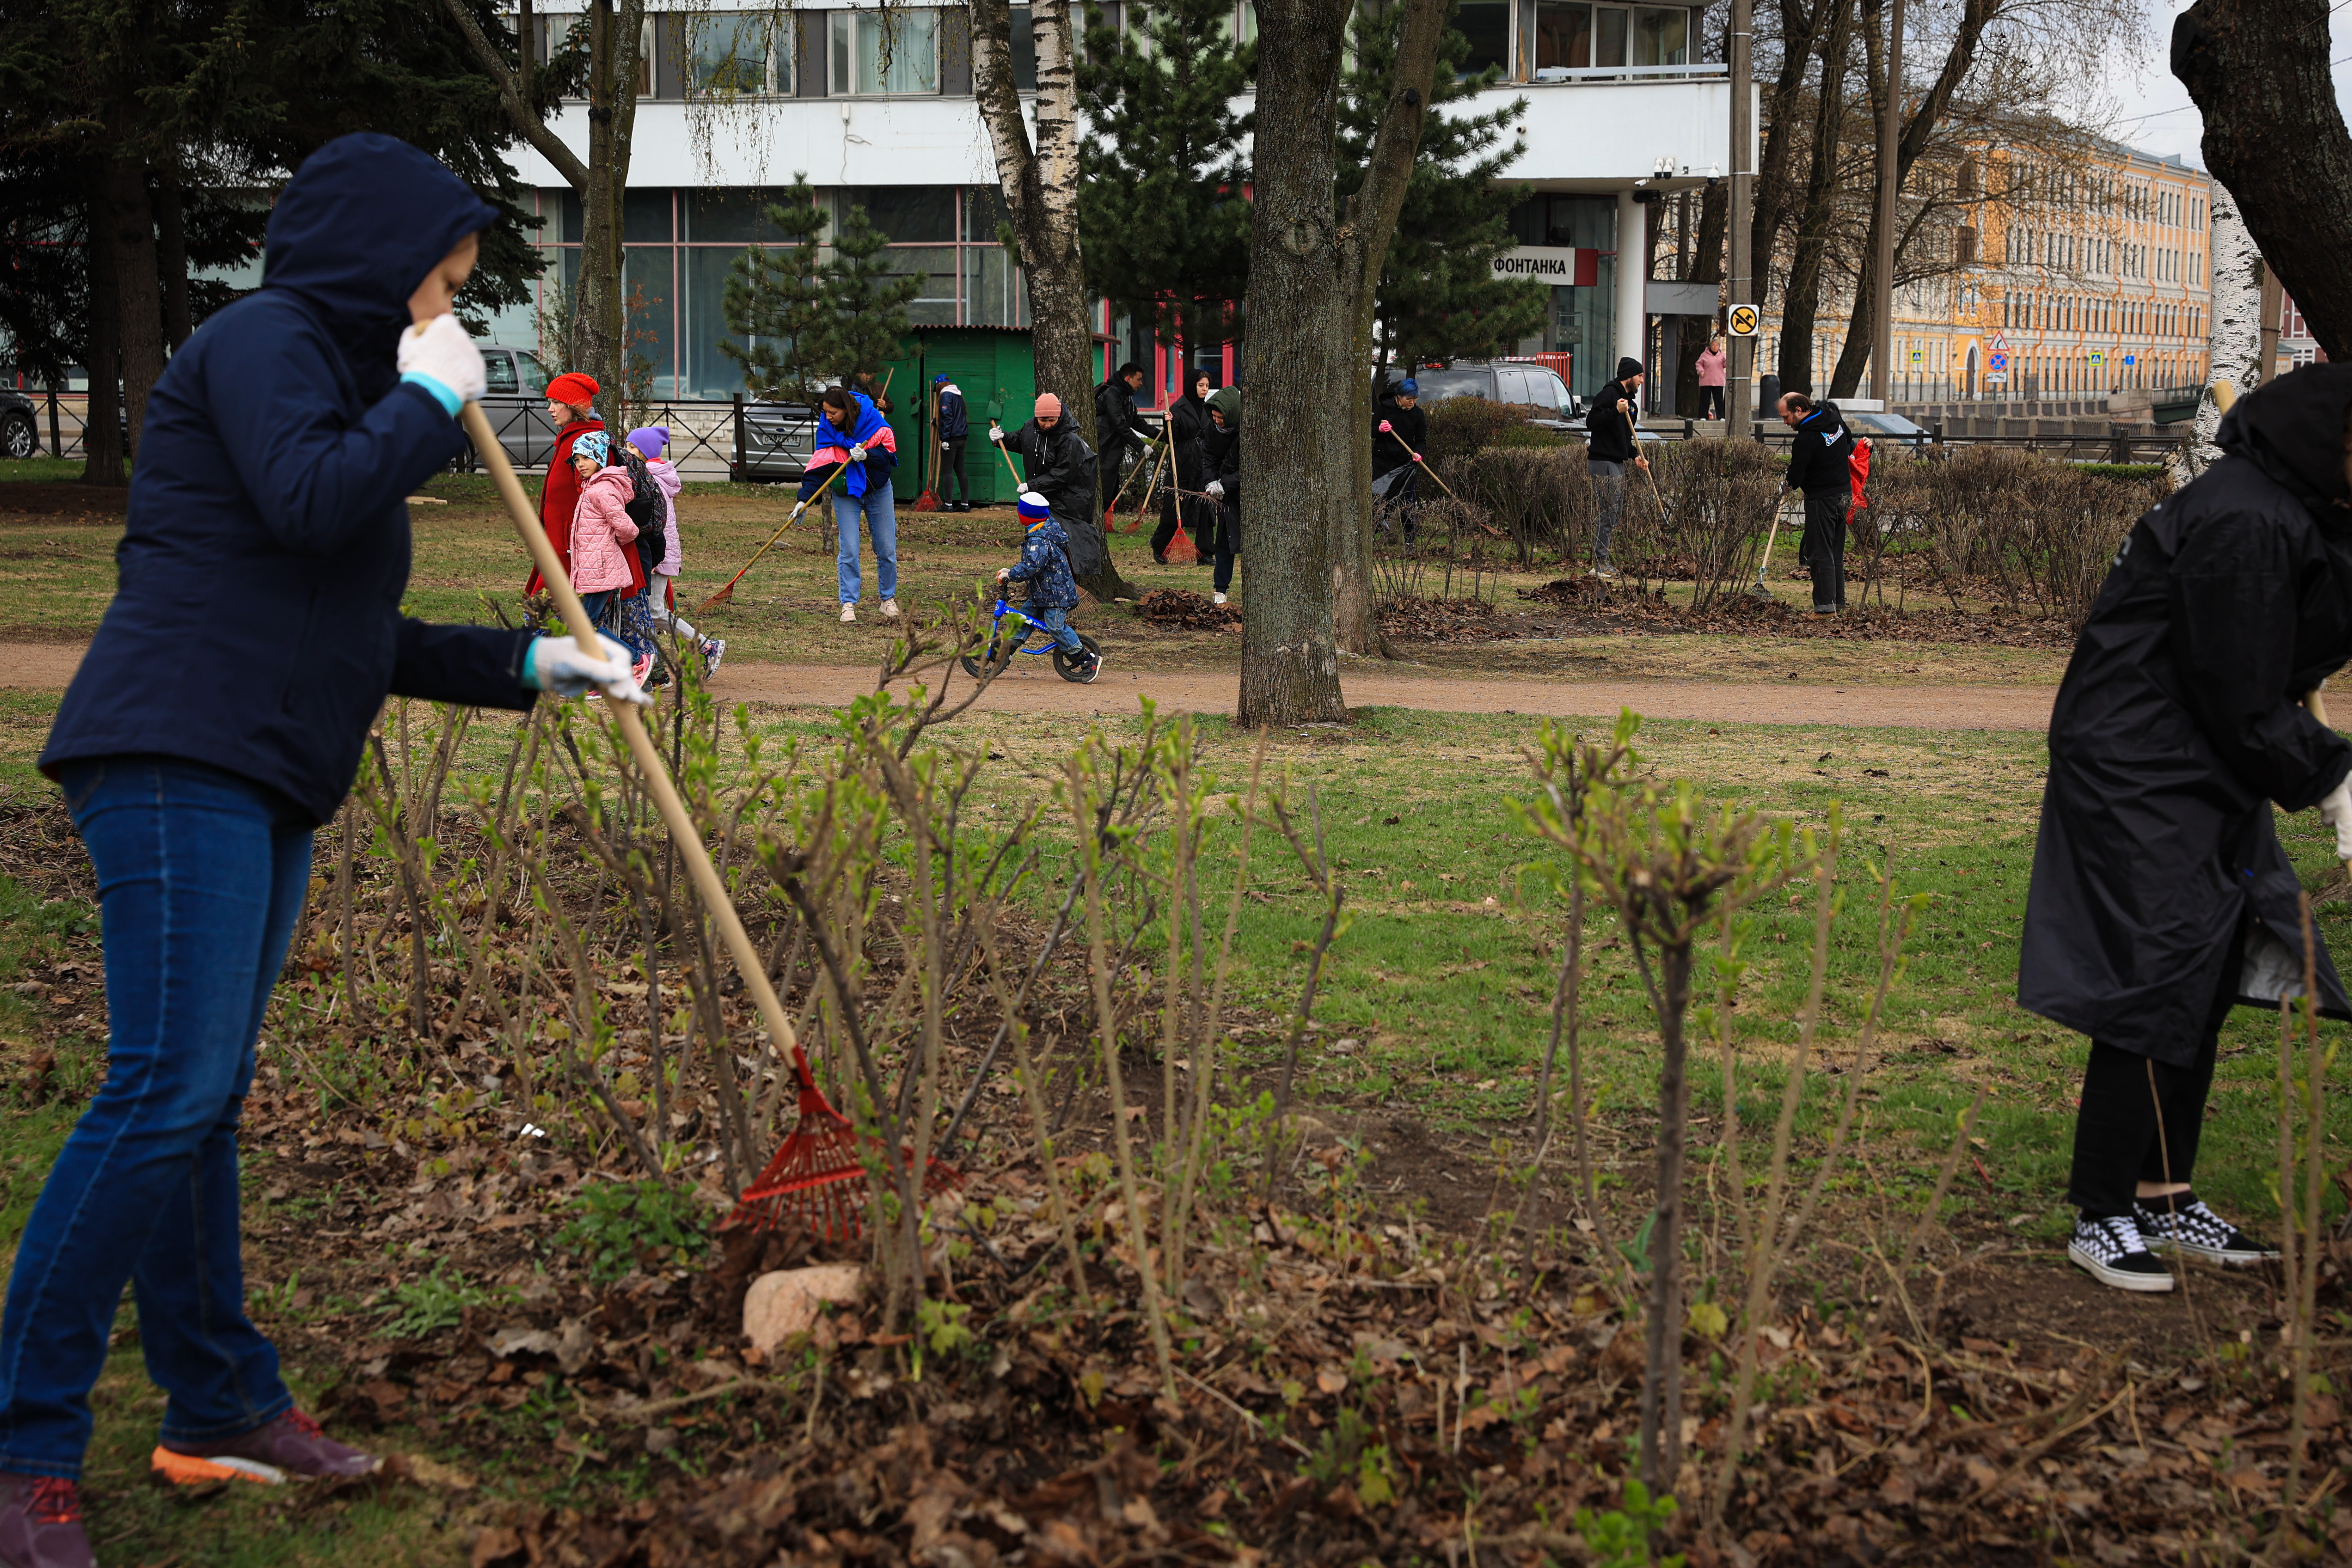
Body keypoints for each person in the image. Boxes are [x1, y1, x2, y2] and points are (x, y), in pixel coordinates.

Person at [9, 132, 643, 1568]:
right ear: (377, 256)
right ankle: (25, 1439)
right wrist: (427, 400)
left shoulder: (349, 388)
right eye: (446, 281)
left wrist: (539, 659)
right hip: (177, 748)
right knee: (161, 1088)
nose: (455, 313)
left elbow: (358, 628)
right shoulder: (262, 344)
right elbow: (307, 495)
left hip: (264, 770)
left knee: (203, 1102)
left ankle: (217, 1403)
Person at [2021, 364, 2352, 1293]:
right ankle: (2102, 1213)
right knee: (2152, 973)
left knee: (2200, 974)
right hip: (2142, 769)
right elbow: (2238, 687)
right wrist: (2331, 774)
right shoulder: (2246, 519)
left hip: (2195, 762)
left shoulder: (2290, 509)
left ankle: (2164, 1194)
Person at [991, 393, 1135, 602]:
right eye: (1044, 420)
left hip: (1068, 500)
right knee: (1040, 545)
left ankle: (1066, 590)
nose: (1048, 424)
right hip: (1042, 497)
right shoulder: (1031, 428)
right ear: (1036, 418)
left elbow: (1064, 474)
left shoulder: (1070, 440)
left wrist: (1032, 485)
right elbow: (1021, 441)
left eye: (1052, 420)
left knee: (1064, 546)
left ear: (1060, 416)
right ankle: (1042, 591)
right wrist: (1001, 438)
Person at [625, 427, 724, 677]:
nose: (627, 453)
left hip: (658, 554)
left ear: (645, 453)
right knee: (651, 609)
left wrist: (653, 557)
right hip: (658, 552)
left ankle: (707, 646)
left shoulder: (652, 479)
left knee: (655, 610)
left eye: (632, 448)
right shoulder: (656, 475)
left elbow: (655, 522)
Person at [802, 384, 899, 624]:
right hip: (847, 492)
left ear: (846, 409)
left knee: (886, 548)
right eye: (824, 412)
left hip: (878, 489)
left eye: (832, 412)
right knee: (850, 550)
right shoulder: (827, 428)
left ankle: (887, 600)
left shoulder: (871, 418)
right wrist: (803, 499)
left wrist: (868, 455)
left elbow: (888, 456)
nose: (828, 417)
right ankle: (848, 603)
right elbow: (821, 464)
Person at [998, 491, 1102, 679]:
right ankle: (1007, 649)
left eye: (1019, 512)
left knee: (1055, 627)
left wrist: (1011, 574)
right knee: (1023, 617)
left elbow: (1032, 566)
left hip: (1056, 595)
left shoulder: (1040, 540)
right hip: (1044, 592)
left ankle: (1086, 658)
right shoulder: (1046, 528)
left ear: (1026, 516)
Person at [525, 370, 602, 596]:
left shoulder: (585, 443)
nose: (550, 408)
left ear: (574, 406)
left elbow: (591, 493)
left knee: (550, 602)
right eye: (550, 402)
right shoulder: (571, 437)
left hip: (570, 541)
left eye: (557, 402)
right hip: (559, 537)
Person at [1777, 392, 1853, 615]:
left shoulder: (1806, 438)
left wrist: (1785, 487)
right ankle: (1838, 603)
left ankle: (1824, 610)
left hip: (1822, 499)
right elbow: (1848, 440)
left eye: (1787, 417)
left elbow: (1797, 475)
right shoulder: (1833, 419)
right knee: (1835, 554)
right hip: (1844, 496)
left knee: (1820, 555)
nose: (1785, 422)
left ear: (1799, 411)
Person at [1585, 356, 1648, 579]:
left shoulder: (1631, 405)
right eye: (1640, 376)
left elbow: (1625, 439)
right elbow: (1591, 423)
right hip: (1602, 462)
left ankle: (1603, 560)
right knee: (1608, 511)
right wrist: (1614, 411)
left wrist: (1635, 456)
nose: (1642, 380)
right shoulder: (1608, 396)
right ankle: (1600, 564)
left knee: (1616, 512)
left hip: (1618, 462)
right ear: (1629, 376)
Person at [1152, 371, 1213, 564]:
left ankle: (1205, 553)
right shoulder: (1177, 408)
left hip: (1204, 462)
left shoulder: (1209, 408)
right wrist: (1168, 422)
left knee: (1206, 506)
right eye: (1201, 385)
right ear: (1191, 385)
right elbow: (1173, 437)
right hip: (1184, 461)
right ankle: (1161, 546)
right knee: (1175, 504)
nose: (1205, 389)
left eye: (1207, 385)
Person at [1200, 392, 1243, 606]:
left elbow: (1251, 468)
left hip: (1243, 493)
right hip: (1227, 497)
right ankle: (1221, 589)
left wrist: (1225, 484)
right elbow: (1209, 458)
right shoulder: (1211, 430)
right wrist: (1210, 482)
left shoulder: (1248, 430)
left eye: (1221, 418)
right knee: (1225, 541)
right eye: (1215, 417)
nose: (1217, 421)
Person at [1372, 376, 1427, 539]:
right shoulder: (1385, 409)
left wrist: (1418, 453)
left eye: (1415, 399)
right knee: (1378, 503)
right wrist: (1380, 429)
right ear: (1398, 397)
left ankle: (1410, 542)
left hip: (1405, 465)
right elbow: (1370, 430)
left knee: (1407, 505)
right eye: (1408, 399)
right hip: (1382, 463)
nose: (1412, 402)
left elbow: (1421, 440)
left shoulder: (1418, 414)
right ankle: (1372, 537)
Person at [1095, 361, 1153, 511]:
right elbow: (1120, 424)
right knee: (1103, 491)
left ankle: (1104, 522)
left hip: (1113, 450)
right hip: (1103, 450)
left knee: (1110, 490)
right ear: (1128, 378)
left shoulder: (1126, 396)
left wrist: (1162, 434)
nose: (1141, 383)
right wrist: (1141, 446)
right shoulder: (1111, 394)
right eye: (1139, 379)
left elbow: (1137, 422)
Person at [934, 374, 971, 513]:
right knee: (961, 470)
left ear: (939, 385)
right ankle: (965, 504)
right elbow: (957, 416)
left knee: (947, 471)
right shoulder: (958, 395)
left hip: (951, 439)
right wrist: (936, 422)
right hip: (962, 437)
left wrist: (944, 438)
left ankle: (948, 504)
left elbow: (948, 417)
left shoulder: (946, 395)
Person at [1696, 334, 1727, 421]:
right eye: (1713, 345)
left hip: (1718, 381)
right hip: (1706, 380)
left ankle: (1721, 416)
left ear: (1719, 347)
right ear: (1710, 346)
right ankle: (1703, 416)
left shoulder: (1723, 356)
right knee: (1705, 399)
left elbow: (1726, 366)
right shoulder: (1704, 355)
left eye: (1717, 345)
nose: (1715, 347)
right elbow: (1698, 364)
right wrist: (1701, 371)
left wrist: (1725, 362)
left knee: (1719, 400)